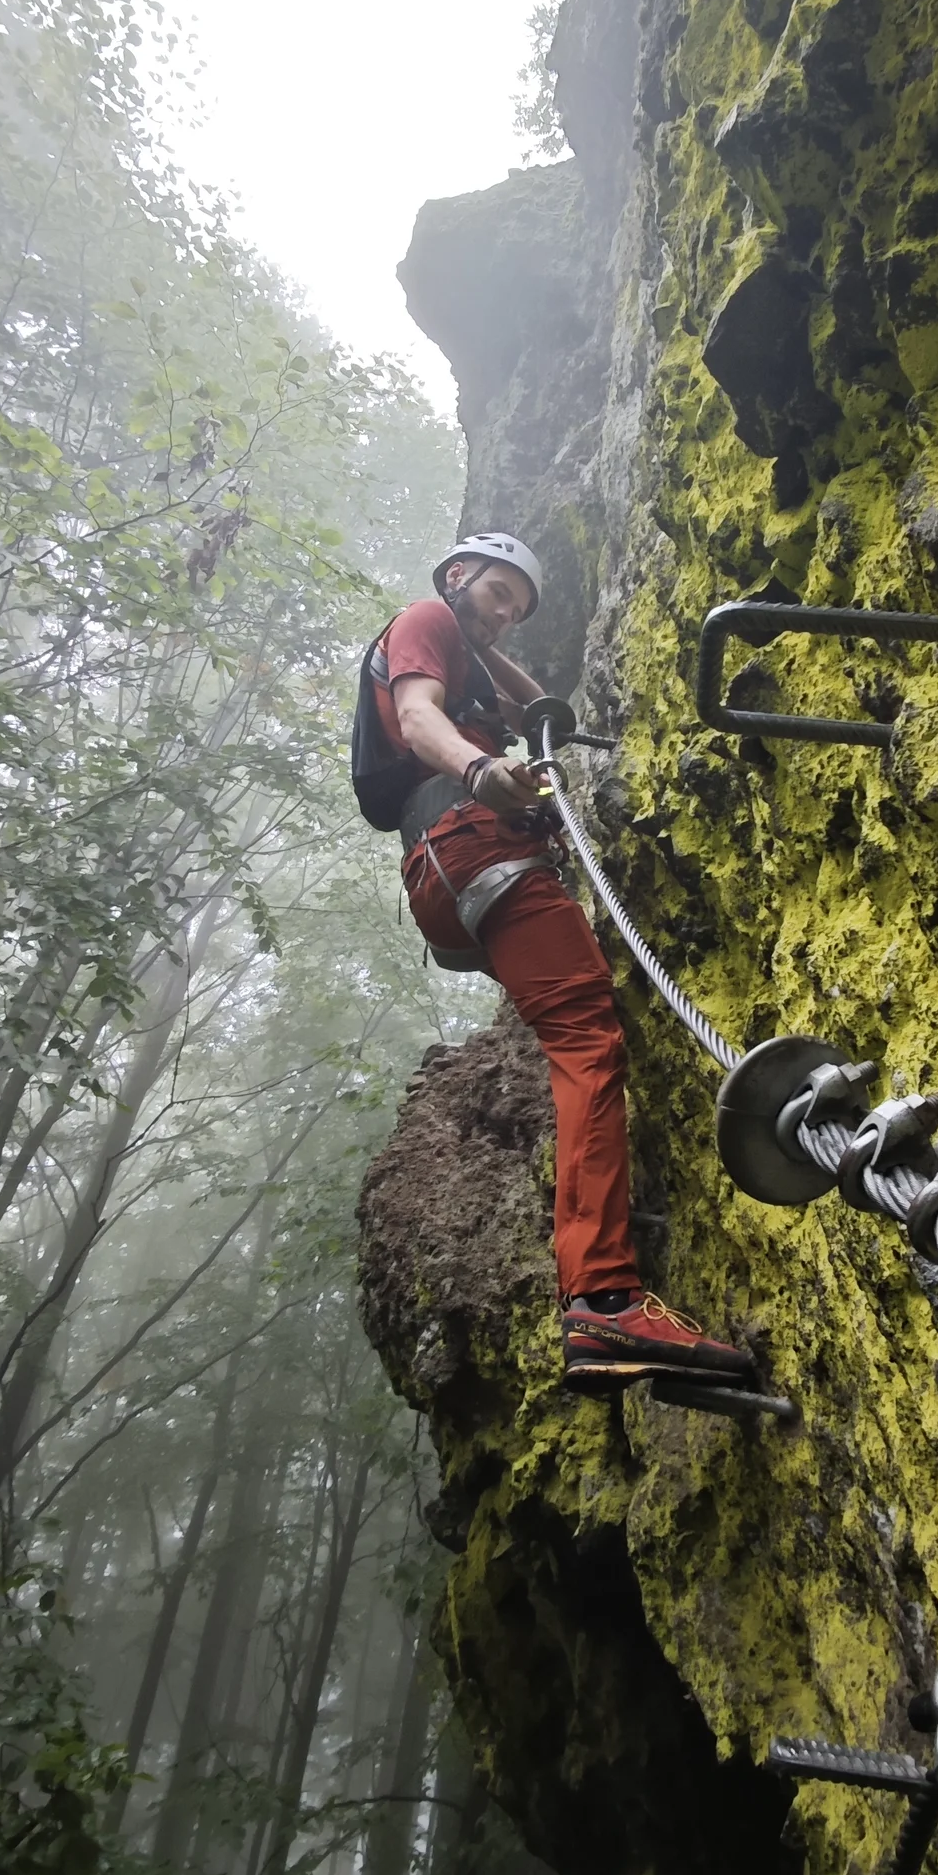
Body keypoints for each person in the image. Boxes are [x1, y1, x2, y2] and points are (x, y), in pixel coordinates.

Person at [360, 534, 754, 1395]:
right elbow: (420, 712)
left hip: (450, 866)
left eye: (517, 607)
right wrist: (479, 764)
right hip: (472, 838)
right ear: (457, 575)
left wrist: (506, 670)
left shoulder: (474, 651)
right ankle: (604, 1297)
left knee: (579, 1039)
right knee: (587, 1042)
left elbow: (545, 702)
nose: (504, 613)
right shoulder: (426, 618)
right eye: (498, 593)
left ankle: (601, 1287)